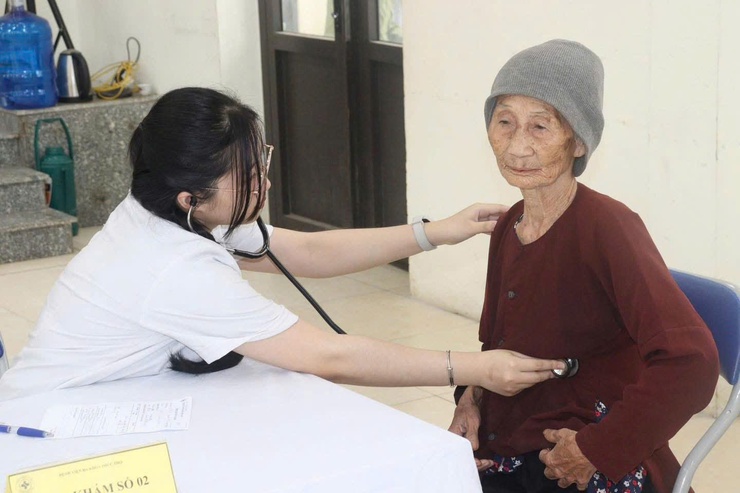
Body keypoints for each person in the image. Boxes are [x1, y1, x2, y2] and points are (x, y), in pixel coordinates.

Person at [0, 87, 566, 402]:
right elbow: (327, 356)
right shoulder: (174, 267)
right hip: (53, 423)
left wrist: (435, 231)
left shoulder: (171, 206)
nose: (265, 184)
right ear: (192, 196)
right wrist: (473, 368)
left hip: (106, 392)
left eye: (262, 160)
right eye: (250, 175)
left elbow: (305, 253)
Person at [447, 40, 719, 493]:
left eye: (540, 126)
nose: (517, 147)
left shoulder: (609, 228)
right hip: (511, 442)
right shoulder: (510, 224)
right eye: (504, 121)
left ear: (578, 141)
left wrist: (597, 449)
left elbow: (693, 362)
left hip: (580, 455)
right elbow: (497, 344)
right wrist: (470, 399)